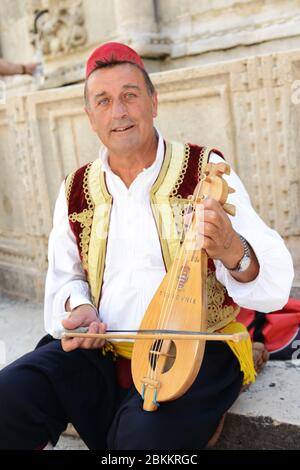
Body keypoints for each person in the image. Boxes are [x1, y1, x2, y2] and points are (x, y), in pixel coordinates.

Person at [0, 42, 294, 450]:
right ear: (90, 117)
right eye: (103, 101)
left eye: (130, 96)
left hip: (194, 351)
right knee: (9, 395)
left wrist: (231, 248)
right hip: (102, 350)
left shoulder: (204, 169)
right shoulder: (75, 190)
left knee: (141, 440)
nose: (118, 111)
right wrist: (77, 308)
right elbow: (64, 277)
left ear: (153, 103)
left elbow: (275, 284)